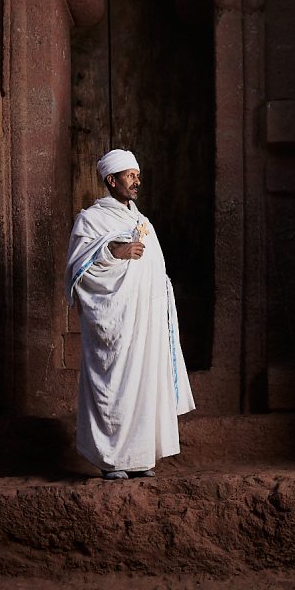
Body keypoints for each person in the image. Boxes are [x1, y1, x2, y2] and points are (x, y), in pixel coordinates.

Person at [65, 147, 195, 480]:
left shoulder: (141, 221)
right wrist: (114, 252)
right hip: (116, 321)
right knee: (116, 386)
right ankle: (112, 461)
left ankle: (138, 458)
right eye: (130, 176)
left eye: (137, 175)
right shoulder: (91, 219)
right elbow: (79, 268)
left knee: (143, 383)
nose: (137, 181)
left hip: (146, 322)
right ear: (111, 180)